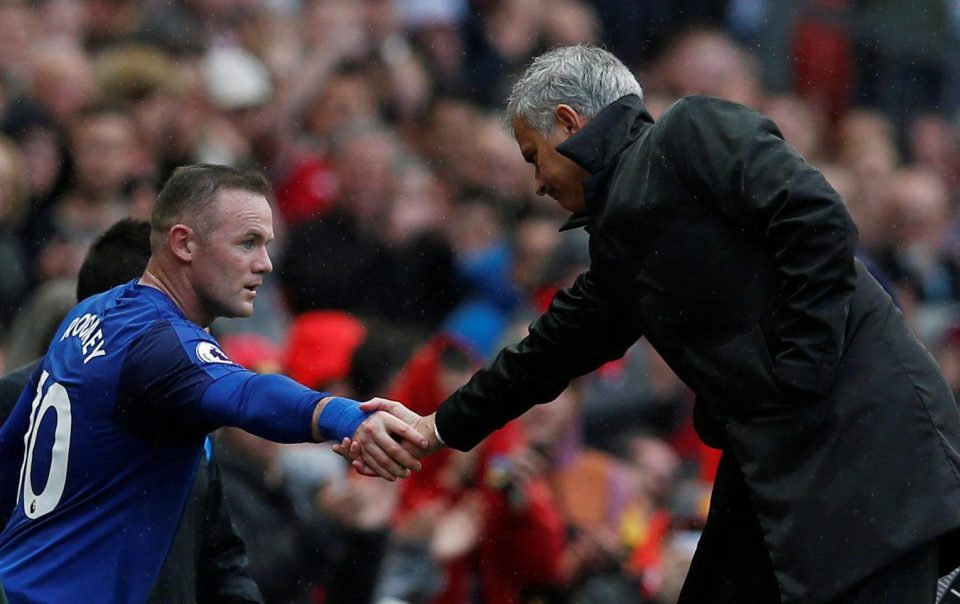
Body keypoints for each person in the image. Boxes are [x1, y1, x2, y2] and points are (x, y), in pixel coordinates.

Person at [349, 45, 960, 604]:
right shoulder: (620, 242)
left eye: (535, 156)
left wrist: (799, 374)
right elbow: (546, 354)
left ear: (568, 122)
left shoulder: (689, 131)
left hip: (869, 448)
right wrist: (436, 427)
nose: (536, 183)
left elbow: (816, 219)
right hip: (788, 455)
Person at [0, 164, 425, 604]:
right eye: (247, 243)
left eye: (266, 245)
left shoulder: (91, 314)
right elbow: (248, 393)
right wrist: (347, 417)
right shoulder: (161, 346)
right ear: (183, 243)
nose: (265, 264)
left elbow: (10, 447)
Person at [0, 218, 263, 603]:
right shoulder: (14, 401)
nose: (201, 341)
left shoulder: (185, 411)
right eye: (183, 322)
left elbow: (221, 561)